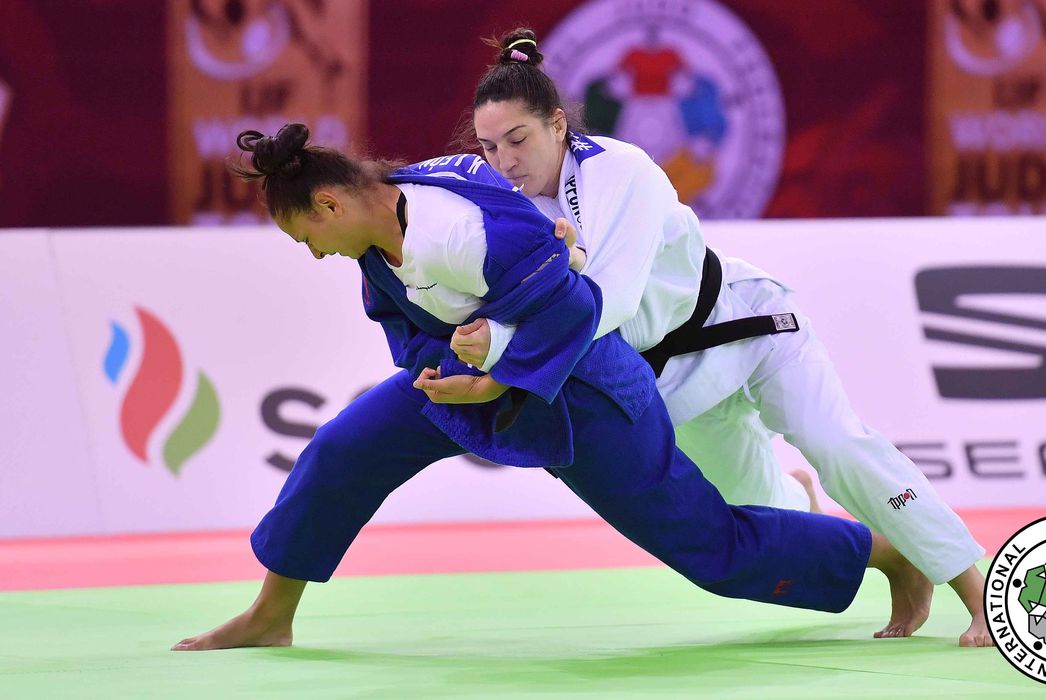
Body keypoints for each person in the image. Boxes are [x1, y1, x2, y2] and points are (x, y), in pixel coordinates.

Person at [172, 123, 924, 651]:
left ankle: (886, 554)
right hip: (476, 379)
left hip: (585, 390)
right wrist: (446, 373)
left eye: (307, 237)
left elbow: (576, 310)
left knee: (709, 549)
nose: (314, 254)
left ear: (330, 206)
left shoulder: (457, 234)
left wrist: (494, 378)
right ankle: (272, 614)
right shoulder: (378, 228)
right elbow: (406, 324)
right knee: (346, 447)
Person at [454, 29, 991, 647]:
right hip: (669, 380)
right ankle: (866, 539)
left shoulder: (619, 170)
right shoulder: (507, 208)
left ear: (556, 124)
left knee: (837, 443)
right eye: (490, 147)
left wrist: (506, 349)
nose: (505, 160)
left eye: (517, 139)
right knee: (761, 513)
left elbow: (613, 298)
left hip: (746, 327)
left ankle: (974, 589)